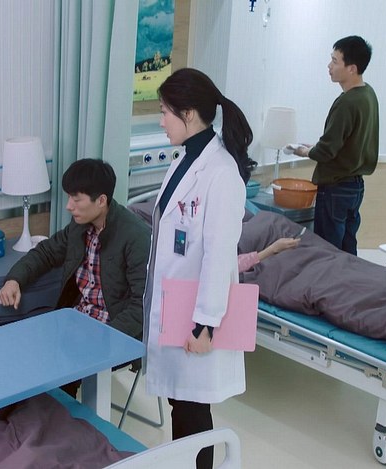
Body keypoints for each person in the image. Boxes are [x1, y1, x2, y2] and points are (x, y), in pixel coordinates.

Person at [144, 67, 254, 469]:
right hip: (177, 303)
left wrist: (206, 323)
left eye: (165, 112)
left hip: (196, 315)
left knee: (192, 410)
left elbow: (219, 254)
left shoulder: (221, 174)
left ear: (188, 114)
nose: (161, 121)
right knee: (182, 404)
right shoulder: (185, 161)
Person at [0, 158, 151, 396]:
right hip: (77, 320)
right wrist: (14, 279)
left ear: (101, 200)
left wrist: (105, 339)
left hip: (112, 329)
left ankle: (65, 411)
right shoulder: (80, 226)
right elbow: (47, 252)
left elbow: (141, 305)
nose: (69, 206)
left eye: (76, 199)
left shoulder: (135, 236)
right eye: (69, 198)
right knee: (23, 351)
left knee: (61, 370)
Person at [293, 35, 379, 256]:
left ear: (352, 68)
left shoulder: (347, 102)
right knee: (348, 250)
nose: (329, 66)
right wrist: (318, 147)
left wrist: (306, 151)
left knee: (328, 253)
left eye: (334, 61)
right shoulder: (368, 94)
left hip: (336, 188)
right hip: (355, 187)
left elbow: (327, 150)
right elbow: (347, 142)